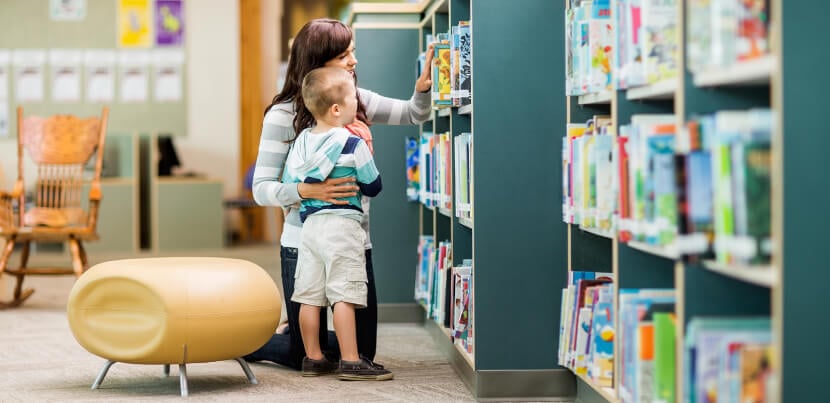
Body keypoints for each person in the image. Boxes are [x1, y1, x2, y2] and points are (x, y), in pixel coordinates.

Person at [245, 18, 433, 370]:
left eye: (353, 52)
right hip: (303, 244)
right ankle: (251, 342)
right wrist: (307, 190)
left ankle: (294, 331)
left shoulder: (354, 100)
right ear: (318, 62)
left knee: (361, 352)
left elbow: (413, 114)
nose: (353, 61)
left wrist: (421, 90)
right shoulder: (282, 116)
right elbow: (261, 189)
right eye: (344, 54)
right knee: (305, 354)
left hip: (352, 241)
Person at [284, 66, 390, 380]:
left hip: (311, 229)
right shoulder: (352, 143)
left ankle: (313, 357)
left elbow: (292, 185)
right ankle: (351, 359)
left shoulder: (301, 143)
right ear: (336, 109)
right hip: (343, 227)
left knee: (309, 295)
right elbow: (373, 185)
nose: (358, 104)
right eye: (353, 99)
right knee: (343, 293)